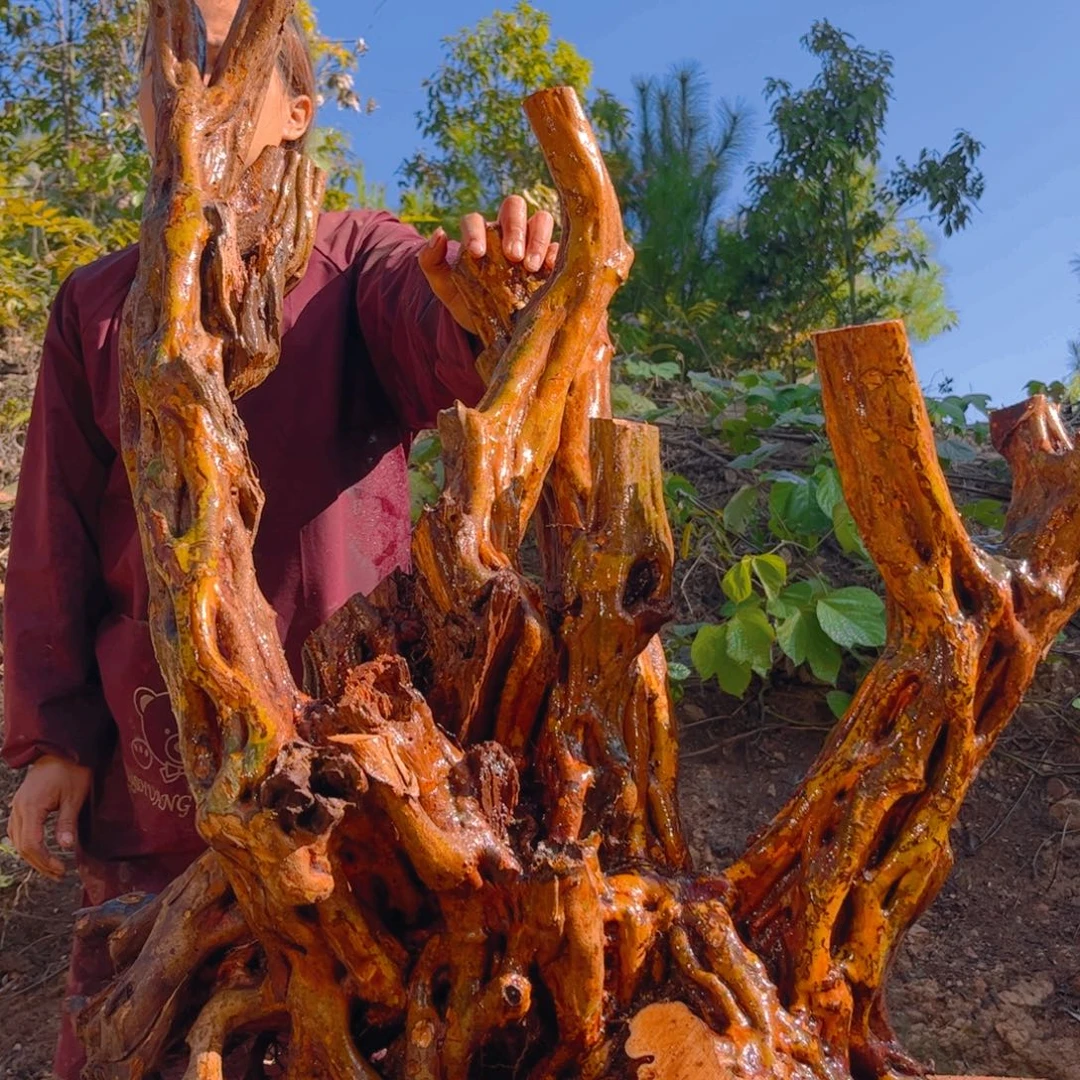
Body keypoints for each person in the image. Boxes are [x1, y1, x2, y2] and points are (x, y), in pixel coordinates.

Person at [1, 2, 558, 1075]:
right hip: (152, 759)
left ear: (298, 110)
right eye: (162, 65)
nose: (184, 85)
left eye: (218, 61)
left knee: (339, 1015)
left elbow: (437, 329)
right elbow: (54, 541)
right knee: (140, 1022)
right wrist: (56, 744)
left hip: (337, 763)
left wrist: (491, 300)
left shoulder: (354, 260)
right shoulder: (95, 304)